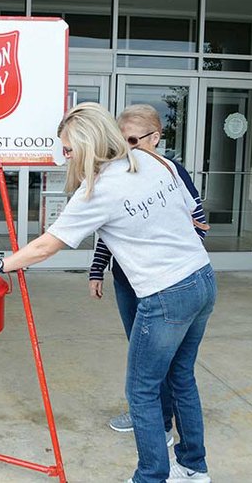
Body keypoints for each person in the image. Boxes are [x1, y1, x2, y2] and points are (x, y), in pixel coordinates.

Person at [0, 102, 216, 483]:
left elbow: (46, 246)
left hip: (166, 294)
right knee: (181, 376)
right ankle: (194, 467)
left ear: (87, 145)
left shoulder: (97, 189)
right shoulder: (154, 163)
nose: (64, 157)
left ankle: (150, 477)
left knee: (142, 391)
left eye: (67, 149)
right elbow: (187, 217)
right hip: (202, 279)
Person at [89, 104, 208, 445]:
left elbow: (197, 222)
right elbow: (111, 230)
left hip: (165, 285)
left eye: (131, 140)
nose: (124, 148)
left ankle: (162, 423)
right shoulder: (118, 175)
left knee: (167, 363)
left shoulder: (171, 172)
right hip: (128, 282)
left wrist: (166, 259)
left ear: (155, 138)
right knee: (145, 355)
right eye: (120, 140)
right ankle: (155, 417)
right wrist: (98, 269)